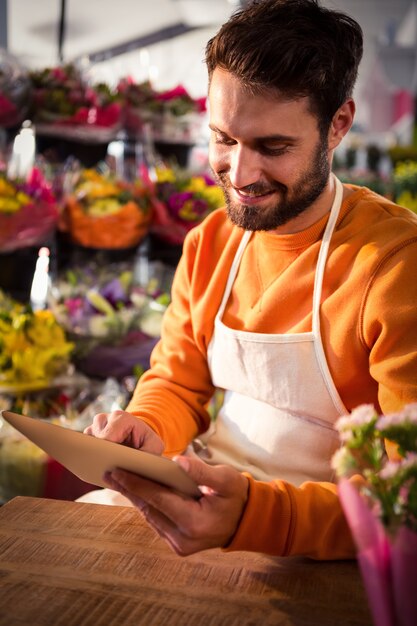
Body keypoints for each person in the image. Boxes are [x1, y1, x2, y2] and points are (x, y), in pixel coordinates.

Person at [81, 0, 417, 559]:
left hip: (336, 549)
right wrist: (146, 429)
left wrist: (259, 520)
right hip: (212, 504)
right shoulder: (210, 243)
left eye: (272, 147)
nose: (240, 175)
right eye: (224, 139)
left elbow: (405, 492)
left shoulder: (395, 266)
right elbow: (180, 382)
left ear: (338, 125)